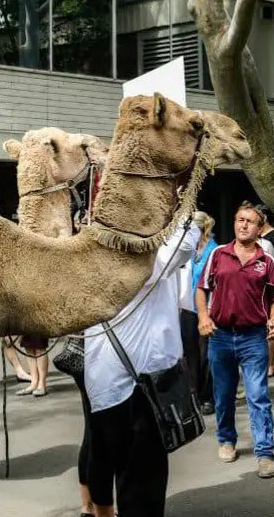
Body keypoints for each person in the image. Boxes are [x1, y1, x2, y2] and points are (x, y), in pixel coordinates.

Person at [84, 218, 201, 517]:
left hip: (103, 386)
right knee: (142, 481)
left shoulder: (90, 259)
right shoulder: (146, 260)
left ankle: (100, 510)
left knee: (105, 456)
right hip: (140, 387)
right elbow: (185, 241)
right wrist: (181, 202)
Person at [198, 202, 274, 479]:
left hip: (253, 338)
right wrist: (203, 316)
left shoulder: (266, 260)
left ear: (260, 229)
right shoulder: (218, 255)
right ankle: (226, 440)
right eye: (240, 219)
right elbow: (202, 288)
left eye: (250, 221)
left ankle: (265, 452)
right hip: (221, 336)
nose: (243, 225)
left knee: (258, 396)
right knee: (223, 397)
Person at [179, 211, 218, 415]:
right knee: (189, 355)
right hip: (187, 309)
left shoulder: (215, 251)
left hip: (207, 310)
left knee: (206, 356)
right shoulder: (186, 250)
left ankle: (207, 396)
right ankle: (193, 395)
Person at [254, 205, 274, 376]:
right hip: (251, 294)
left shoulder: (268, 243)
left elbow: (272, 266)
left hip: (265, 291)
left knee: (268, 327)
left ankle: (270, 365)